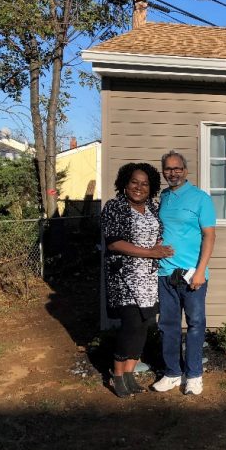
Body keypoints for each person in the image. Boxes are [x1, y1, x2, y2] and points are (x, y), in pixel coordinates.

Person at [101, 163, 174, 398]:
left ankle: (130, 375)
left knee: (143, 326)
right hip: (124, 278)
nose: (139, 187)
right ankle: (118, 375)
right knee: (130, 326)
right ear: (125, 183)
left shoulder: (152, 209)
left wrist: (160, 249)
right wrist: (151, 253)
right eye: (134, 182)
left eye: (145, 183)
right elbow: (114, 243)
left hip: (149, 279)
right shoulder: (115, 207)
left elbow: (157, 234)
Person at [152, 150, 216, 396]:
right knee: (168, 325)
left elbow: (210, 235)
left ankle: (194, 375)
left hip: (193, 275)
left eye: (177, 168)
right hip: (165, 273)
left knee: (196, 324)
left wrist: (200, 271)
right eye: (168, 169)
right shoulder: (165, 197)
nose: (173, 173)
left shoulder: (201, 199)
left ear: (186, 170)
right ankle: (172, 373)